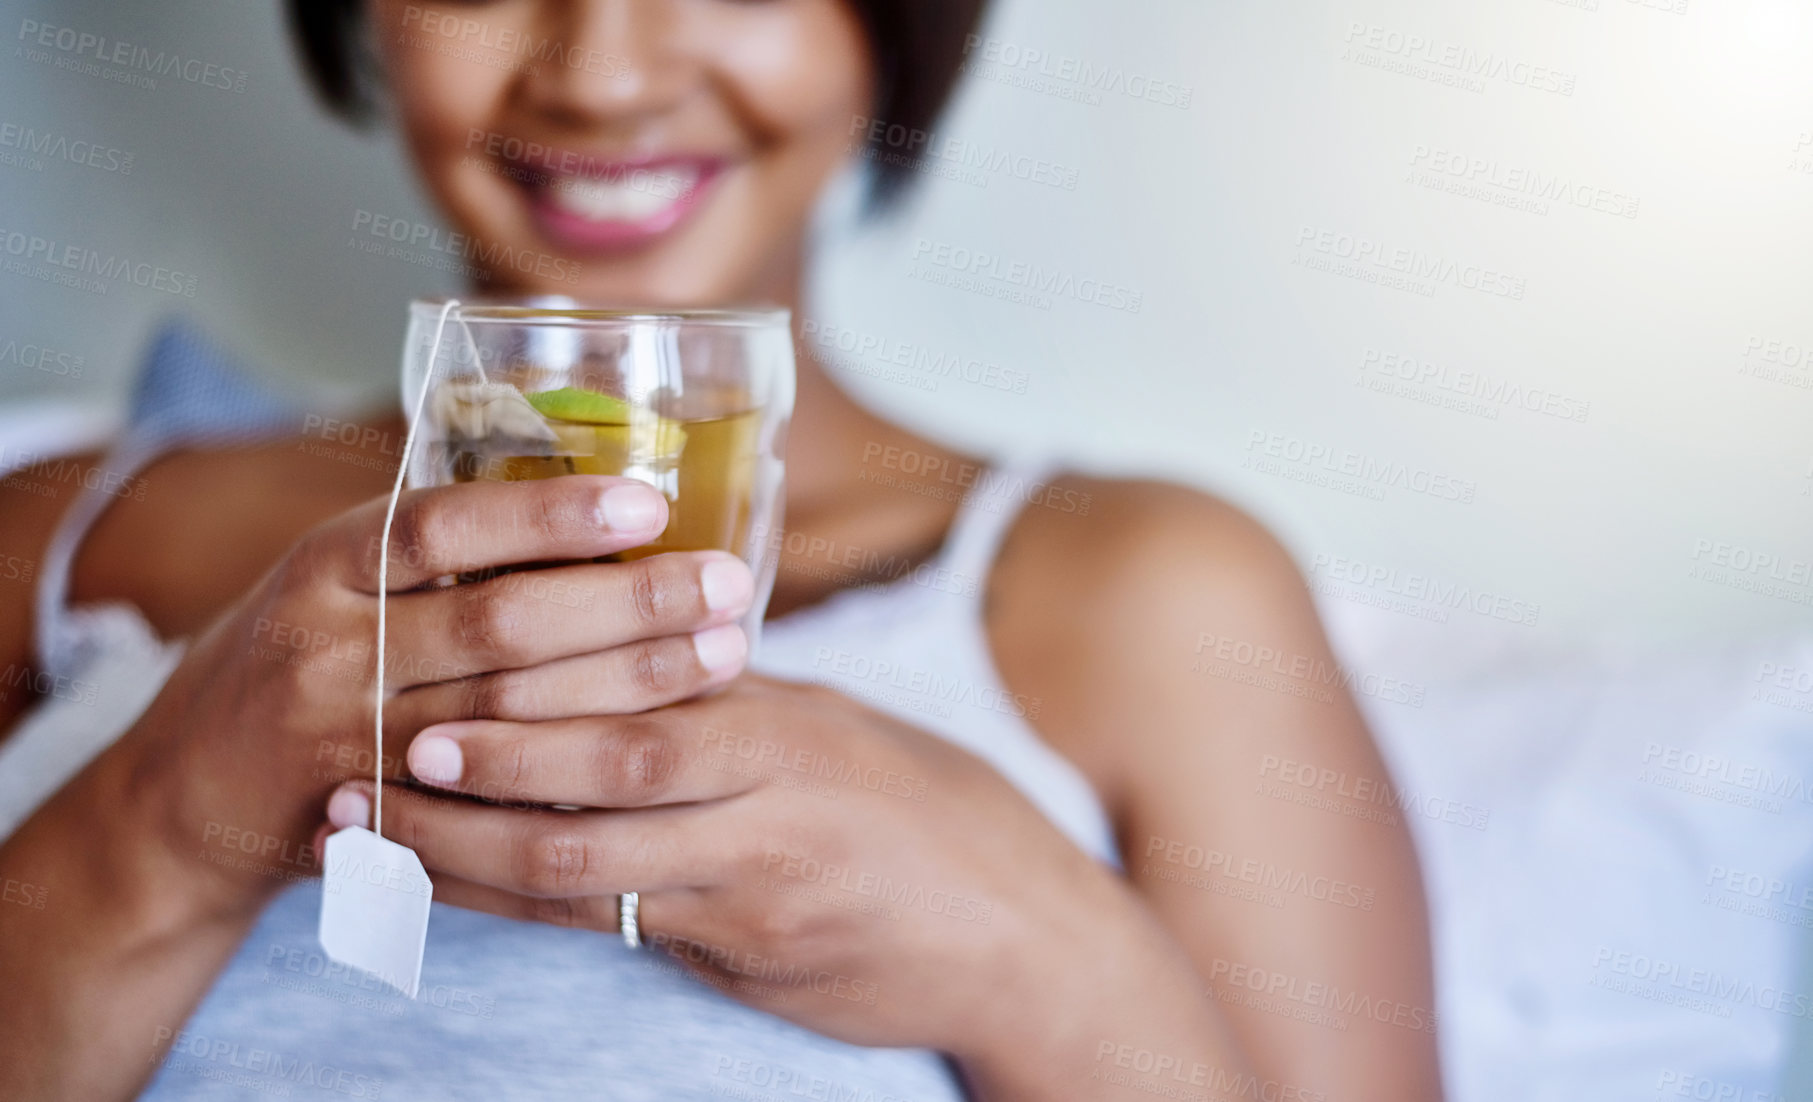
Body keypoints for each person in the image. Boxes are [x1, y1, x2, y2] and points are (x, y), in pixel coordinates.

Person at [0, 1, 1443, 1099]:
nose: (604, 73)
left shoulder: (1152, 591)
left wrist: (1041, 954)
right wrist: (165, 816)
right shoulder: (71, 538)